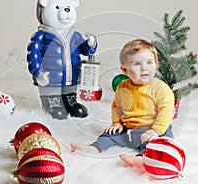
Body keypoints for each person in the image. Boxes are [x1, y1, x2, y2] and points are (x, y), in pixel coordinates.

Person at [71, 39, 174, 168]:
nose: (144, 68)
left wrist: (156, 130)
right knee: (109, 134)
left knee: (158, 144)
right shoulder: (122, 87)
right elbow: (117, 106)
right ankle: (95, 148)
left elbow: (166, 110)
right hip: (130, 130)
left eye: (149, 62)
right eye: (137, 64)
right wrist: (117, 123)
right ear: (125, 70)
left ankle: (143, 159)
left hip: (155, 129)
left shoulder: (160, 88)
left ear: (156, 65)